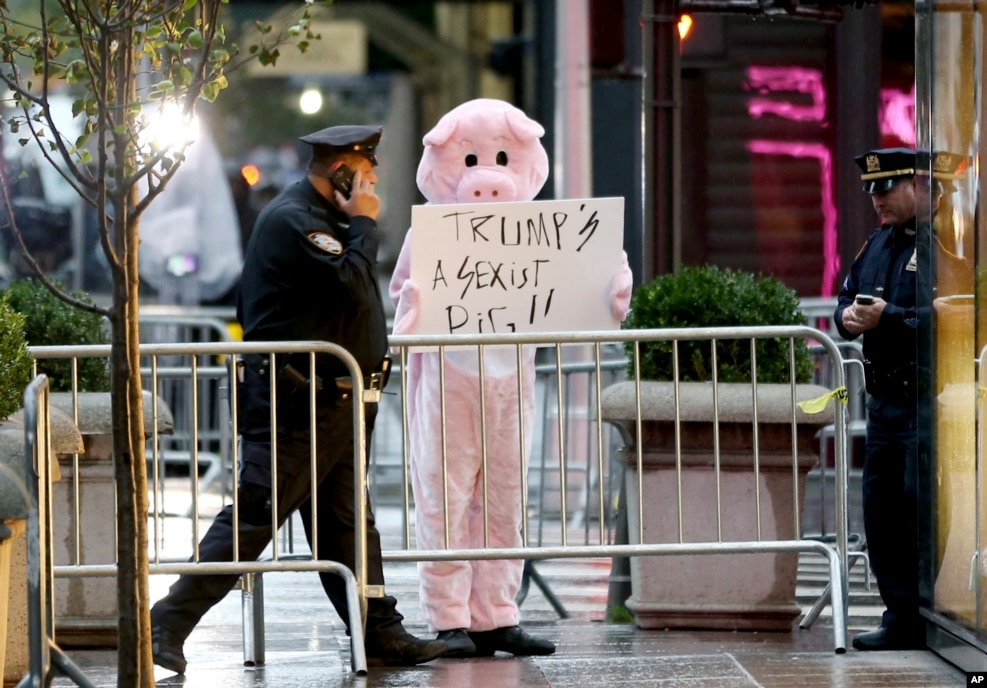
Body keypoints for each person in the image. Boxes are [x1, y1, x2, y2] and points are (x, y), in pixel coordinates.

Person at [149, 124, 447, 673]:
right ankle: (167, 621)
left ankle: (379, 628)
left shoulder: (324, 222)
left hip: (334, 401)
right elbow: (354, 282)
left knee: (348, 524)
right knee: (257, 516)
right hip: (299, 403)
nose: (372, 188)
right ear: (341, 174)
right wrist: (363, 222)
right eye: (366, 177)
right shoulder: (296, 222)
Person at [834, 146, 933, 651]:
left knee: (922, 510)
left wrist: (887, 317)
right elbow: (844, 297)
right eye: (873, 192)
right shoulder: (876, 244)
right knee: (881, 511)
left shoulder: (944, 247)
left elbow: (951, 316)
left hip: (927, 400)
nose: (878, 201)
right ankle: (900, 617)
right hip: (884, 403)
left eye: (888, 190)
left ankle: (930, 616)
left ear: (918, 186)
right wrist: (846, 319)